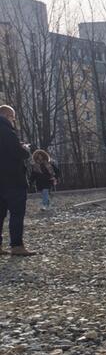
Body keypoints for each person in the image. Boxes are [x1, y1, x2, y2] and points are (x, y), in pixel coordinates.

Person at [0, 105, 34, 256]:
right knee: (16, 214)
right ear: (7, 116)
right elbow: (17, 152)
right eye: (13, 117)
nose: (14, 121)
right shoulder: (7, 131)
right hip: (12, 180)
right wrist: (25, 149)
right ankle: (17, 245)